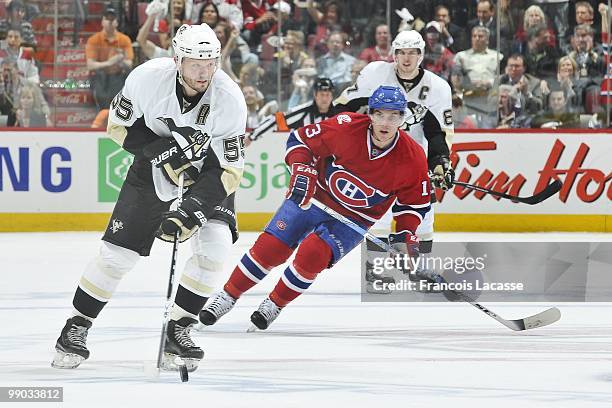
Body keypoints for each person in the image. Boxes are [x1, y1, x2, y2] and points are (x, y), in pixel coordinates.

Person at [51, 24, 247, 372]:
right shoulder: (147, 79)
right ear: (177, 59)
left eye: (211, 63)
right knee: (116, 257)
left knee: (214, 246)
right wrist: (164, 152)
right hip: (152, 166)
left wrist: (192, 208)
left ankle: (180, 328)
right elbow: (117, 126)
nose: (204, 72)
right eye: (195, 63)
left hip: (207, 174)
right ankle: (76, 327)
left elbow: (228, 171)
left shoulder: (230, 99)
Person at [199, 85, 431, 330]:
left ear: (403, 119)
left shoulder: (413, 158)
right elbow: (300, 140)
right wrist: (302, 169)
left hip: (355, 218)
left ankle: (275, 303)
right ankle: (227, 296)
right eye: (380, 114)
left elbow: (413, 204)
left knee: (313, 255)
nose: (386, 122)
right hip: (314, 195)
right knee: (271, 248)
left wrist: (406, 235)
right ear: (370, 114)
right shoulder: (346, 126)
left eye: (394, 115)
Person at [334, 30, 453, 265]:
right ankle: (377, 270)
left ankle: (422, 268)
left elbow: (438, 132)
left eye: (412, 53)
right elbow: (343, 109)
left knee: (424, 215)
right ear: (394, 55)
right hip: (378, 157)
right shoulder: (375, 74)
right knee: (379, 216)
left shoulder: (438, 88)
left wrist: (440, 161)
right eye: (401, 53)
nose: (406, 59)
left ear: (421, 56)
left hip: (414, 160)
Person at [248, 77, 339, 142]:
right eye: (321, 95)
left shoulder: (339, 113)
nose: (324, 99)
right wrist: (252, 136)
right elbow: (277, 119)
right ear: (315, 95)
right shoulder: (303, 111)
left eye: (327, 95)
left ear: (332, 96)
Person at [86, 6, 134, 111]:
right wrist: (110, 62)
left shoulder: (124, 39)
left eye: (112, 19)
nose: (110, 22)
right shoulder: (94, 40)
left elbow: (129, 64)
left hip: (118, 76)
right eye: (107, 19)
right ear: (102, 21)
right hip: (100, 77)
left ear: (117, 22)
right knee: (102, 107)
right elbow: (90, 65)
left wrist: (120, 61)